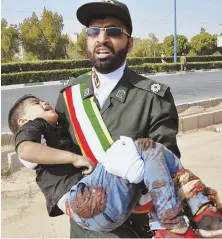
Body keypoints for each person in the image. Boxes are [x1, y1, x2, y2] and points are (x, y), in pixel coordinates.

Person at [12, 0, 220, 238]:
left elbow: (166, 167)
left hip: (132, 229)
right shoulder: (70, 95)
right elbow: (56, 157)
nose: (101, 38)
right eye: (93, 31)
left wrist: (134, 179)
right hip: (84, 229)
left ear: (129, 43)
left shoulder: (153, 97)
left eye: (113, 31)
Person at [8, 95, 222, 238]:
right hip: (83, 201)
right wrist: (74, 158)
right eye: (36, 102)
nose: (45, 102)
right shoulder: (35, 127)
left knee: (155, 152)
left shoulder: (54, 132)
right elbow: (26, 151)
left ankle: (196, 210)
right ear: (23, 121)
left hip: (102, 214)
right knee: (138, 147)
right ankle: (174, 219)